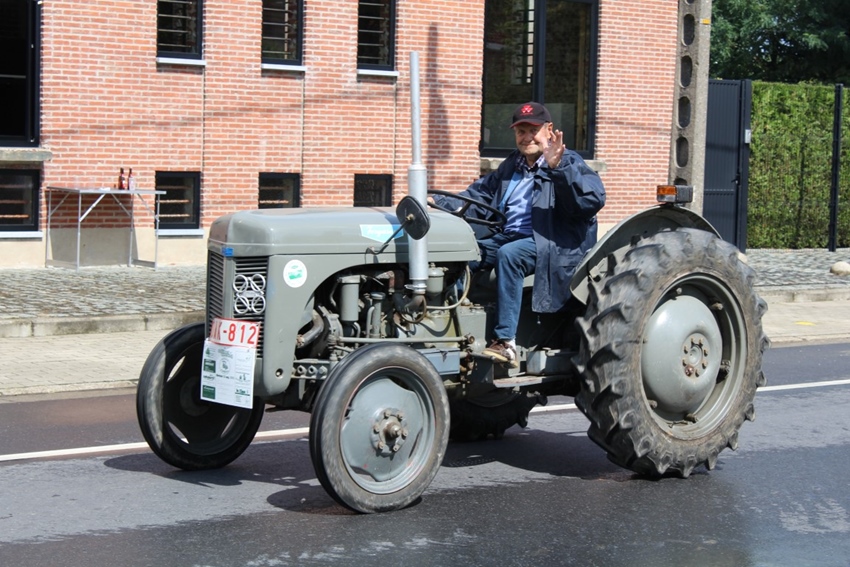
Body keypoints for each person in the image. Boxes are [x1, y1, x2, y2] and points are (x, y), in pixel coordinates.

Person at [433, 102, 606, 367]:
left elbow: (590, 201)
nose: (526, 138)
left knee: (509, 255)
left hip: (550, 241)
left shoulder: (567, 161)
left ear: (549, 130)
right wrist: (438, 202)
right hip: (509, 235)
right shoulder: (512, 165)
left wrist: (559, 169)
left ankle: (505, 343)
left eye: (533, 130)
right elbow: (480, 195)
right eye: (520, 132)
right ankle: (448, 329)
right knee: (462, 254)